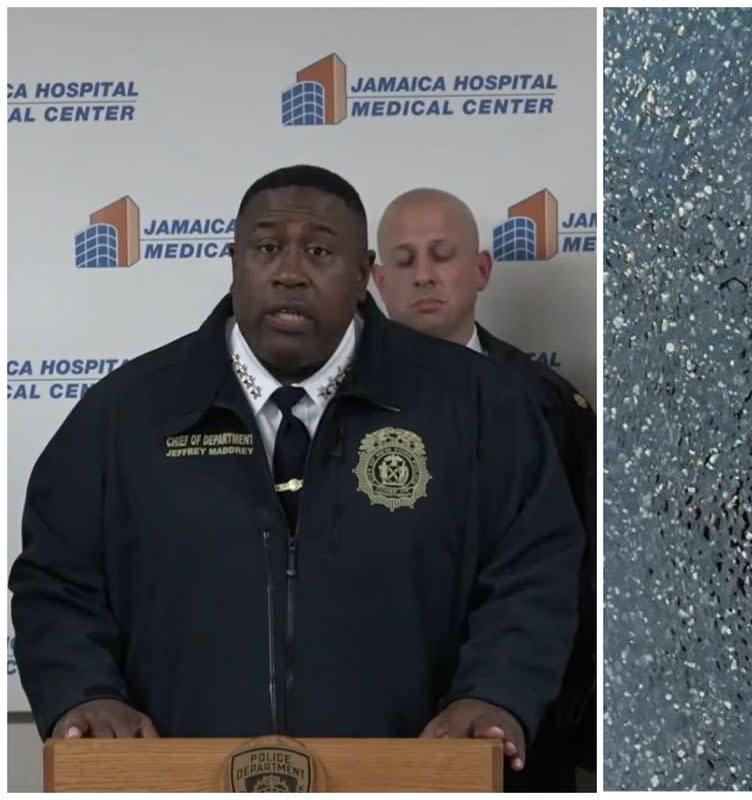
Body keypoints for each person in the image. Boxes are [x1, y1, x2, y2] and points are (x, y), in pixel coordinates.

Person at [9, 166, 583, 776]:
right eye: (265, 248)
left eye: (317, 250)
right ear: (233, 261)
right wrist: (85, 692)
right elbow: (57, 579)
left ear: (364, 274)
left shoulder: (479, 406)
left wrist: (495, 693)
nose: (288, 272)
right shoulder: (126, 413)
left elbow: (535, 568)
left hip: (412, 780)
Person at [372, 188, 596, 791]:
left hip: (521, 735)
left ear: (480, 270)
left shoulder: (550, 406)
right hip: (373, 740)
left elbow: (584, 577)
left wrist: (561, 718)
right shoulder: (327, 404)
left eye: (441, 255)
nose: (423, 274)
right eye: (404, 258)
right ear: (377, 278)